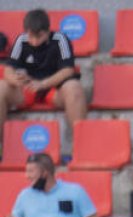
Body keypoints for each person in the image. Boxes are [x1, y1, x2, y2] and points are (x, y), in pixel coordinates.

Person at [1, 9, 88, 156]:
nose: (34, 41)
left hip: (53, 90)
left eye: (39, 37)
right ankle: (3, 148)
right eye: (30, 36)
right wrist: (14, 79)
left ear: (48, 31)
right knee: (1, 87)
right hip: (27, 89)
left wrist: (43, 84)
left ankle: (80, 149)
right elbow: (8, 69)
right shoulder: (21, 40)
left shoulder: (60, 39)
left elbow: (68, 70)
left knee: (74, 88)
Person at [6, 153, 98, 217]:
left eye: (31, 171)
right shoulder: (25, 195)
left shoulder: (75, 191)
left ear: (45, 173)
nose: (27, 176)